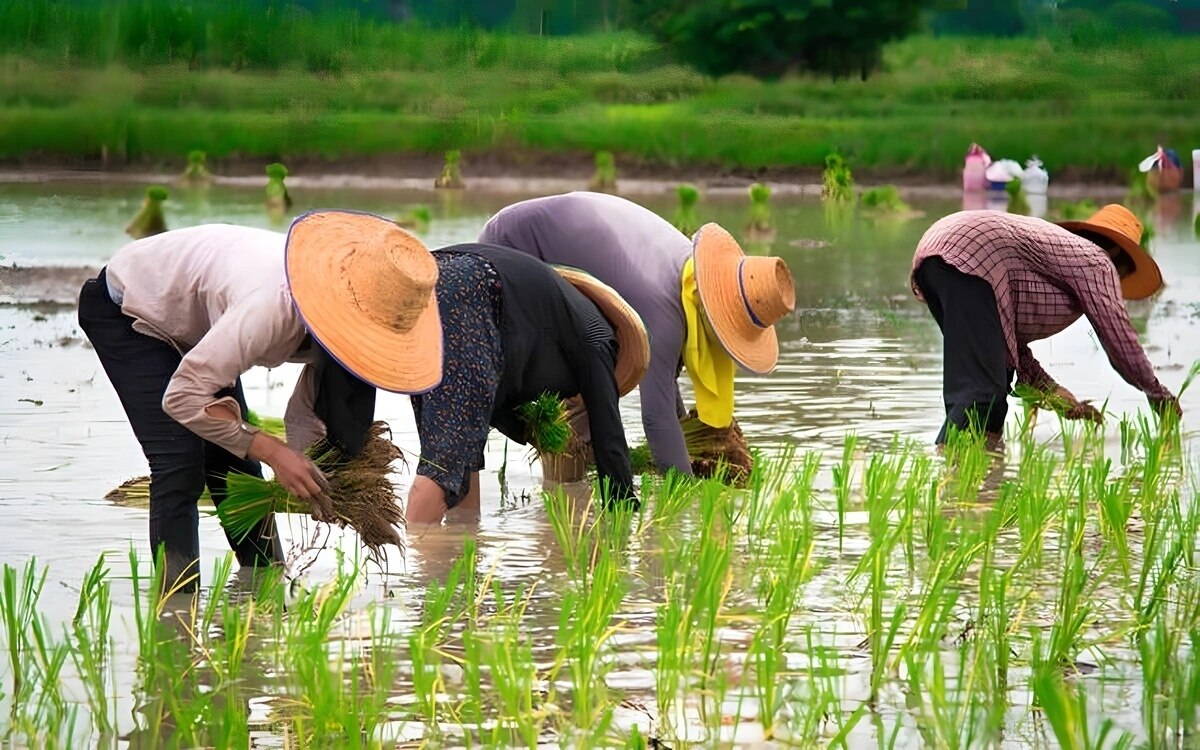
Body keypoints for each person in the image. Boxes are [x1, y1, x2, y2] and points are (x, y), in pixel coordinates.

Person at [78, 211, 437, 591]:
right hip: (131, 310)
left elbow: (307, 414)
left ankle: (265, 587)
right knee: (180, 462)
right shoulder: (271, 308)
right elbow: (183, 397)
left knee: (236, 463)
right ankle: (177, 607)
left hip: (200, 323)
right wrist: (276, 453)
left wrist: (322, 477)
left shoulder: (344, 321)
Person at [478, 192, 796, 476]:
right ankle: (561, 507)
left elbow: (664, 381)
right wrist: (686, 495)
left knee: (597, 381)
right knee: (578, 408)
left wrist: (688, 441)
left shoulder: (688, 278)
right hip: (512, 250)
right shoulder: (664, 310)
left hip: (552, 255)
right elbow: (656, 419)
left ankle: (566, 503)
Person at [404, 242, 650, 524]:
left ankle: (463, 543)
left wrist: (533, 431)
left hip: (424, 275)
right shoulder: (600, 339)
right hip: (472, 293)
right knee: (442, 463)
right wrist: (623, 511)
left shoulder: (550, 306)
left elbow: (488, 401)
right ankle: (419, 561)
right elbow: (609, 435)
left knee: (460, 444)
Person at [909, 204, 1181, 448]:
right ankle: (952, 477)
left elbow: (1007, 345)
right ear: (1116, 253)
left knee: (991, 388)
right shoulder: (1096, 259)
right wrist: (1157, 394)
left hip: (940, 256)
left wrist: (1061, 400)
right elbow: (1119, 340)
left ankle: (980, 482)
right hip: (970, 254)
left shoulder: (1062, 258)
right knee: (981, 396)